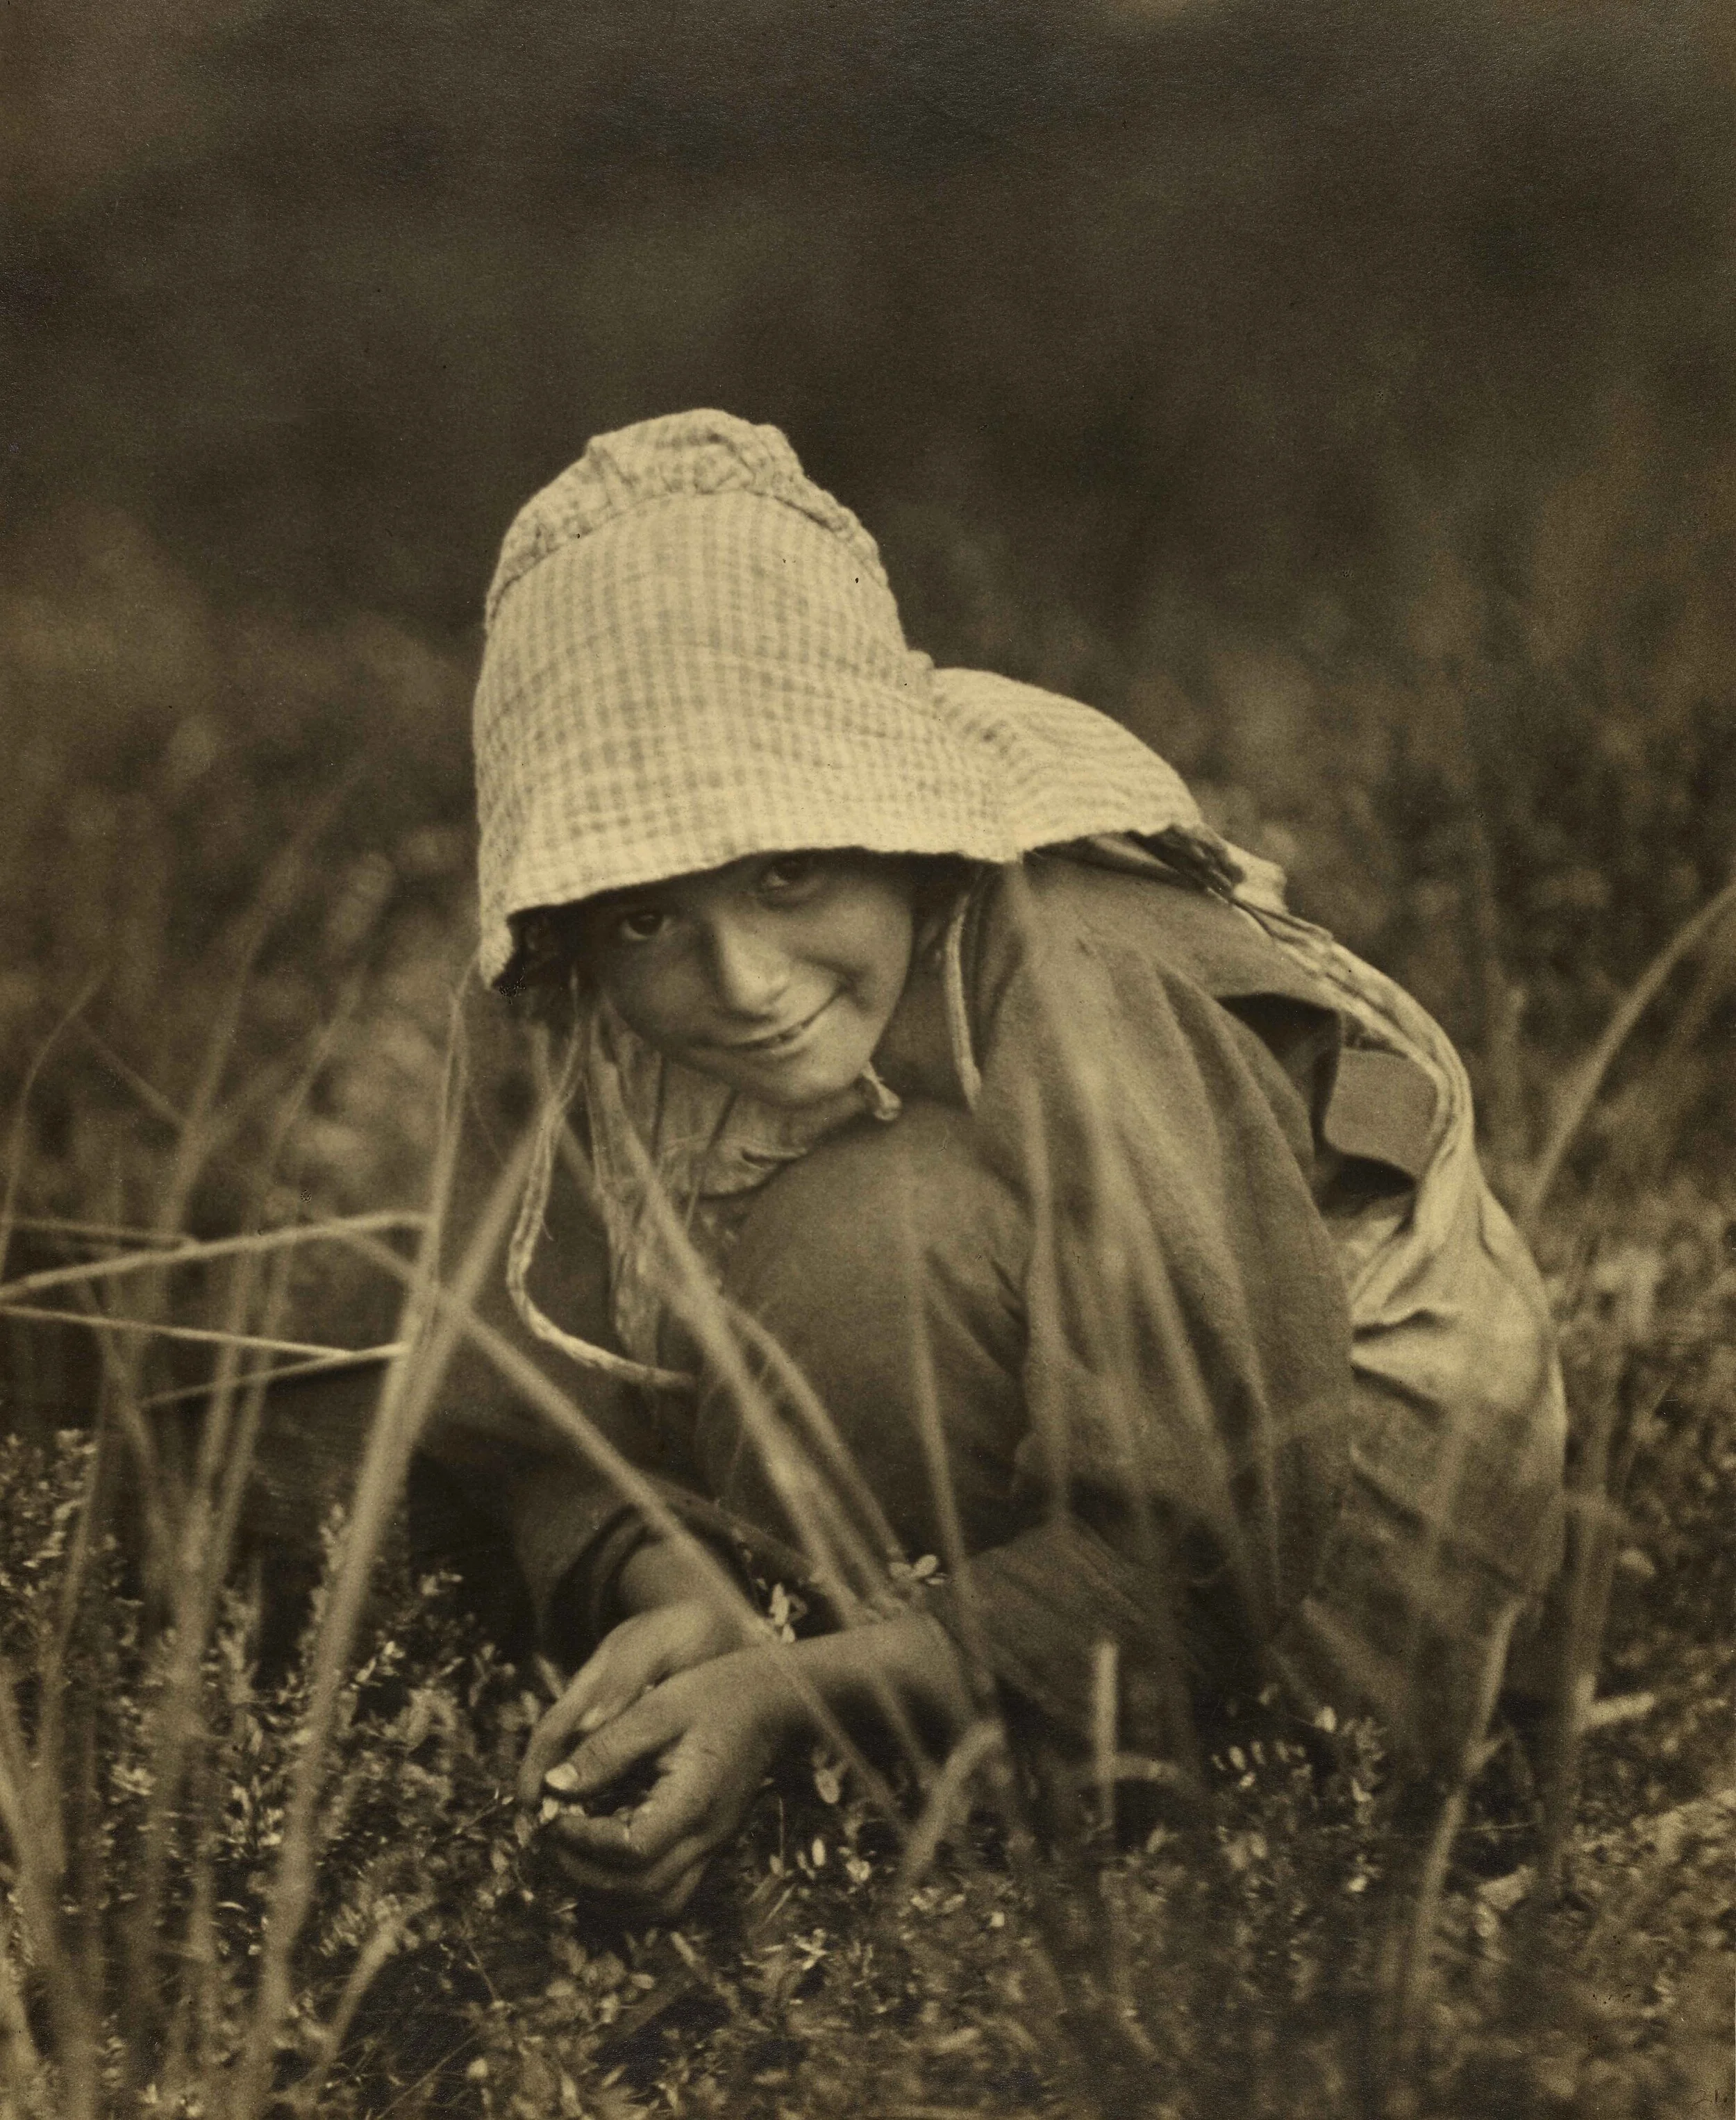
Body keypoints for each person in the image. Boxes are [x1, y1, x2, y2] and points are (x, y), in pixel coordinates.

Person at [424, 409, 1566, 1917]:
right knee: (328, 1438)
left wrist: (786, 1693)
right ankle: (869, 1740)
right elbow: (523, 1415)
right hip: (968, 1518)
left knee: (860, 1246)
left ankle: (1032, 1839)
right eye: (646, 918)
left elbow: (1196, 1554)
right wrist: (678, 1592)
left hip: (1326, 1569)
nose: (745, 980)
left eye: (789, 871)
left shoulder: (1078, 967)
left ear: (896, 824)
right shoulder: (559, 1009)